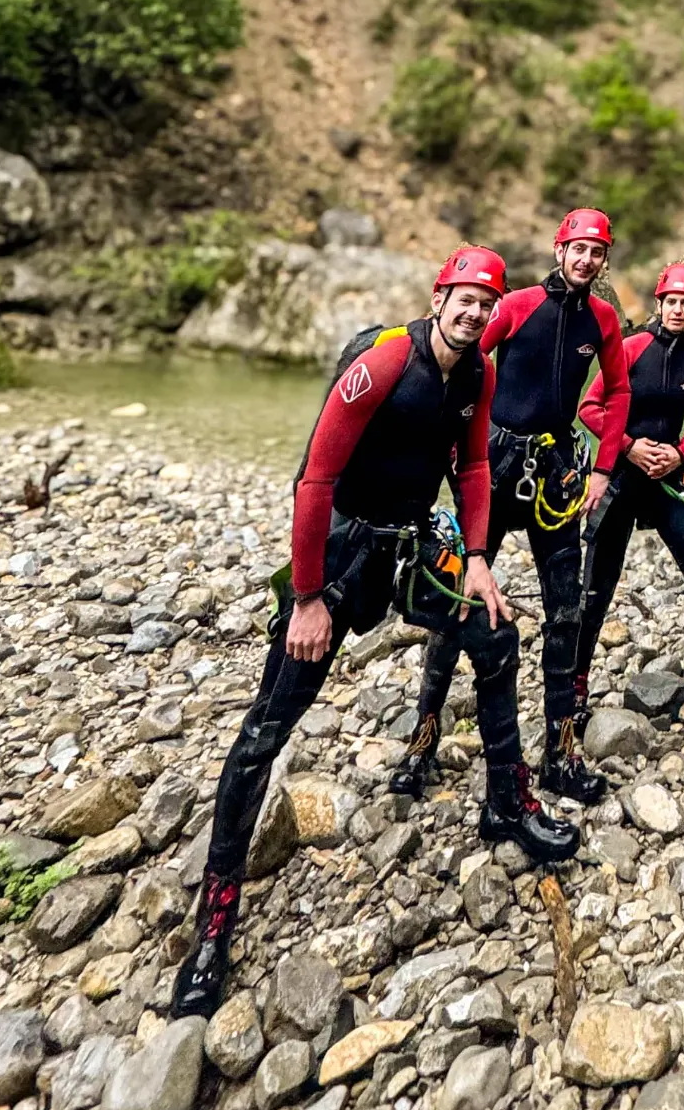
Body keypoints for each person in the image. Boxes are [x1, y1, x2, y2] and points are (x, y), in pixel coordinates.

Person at [171, 247, 579, 1019]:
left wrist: (480, 560)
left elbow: (472, 473)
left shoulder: (478, 375)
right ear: (438, 298)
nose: (474, 312)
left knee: (493, 639)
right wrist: (307, 598)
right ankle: (214, 925)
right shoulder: (389, 358)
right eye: (463, 300)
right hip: (346, 548)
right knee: (268, 727)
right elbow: (314, 480)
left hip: (417, 542)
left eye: (485, 304)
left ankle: (507, 802)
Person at [393, 207, 630, 809]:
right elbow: (465, 363)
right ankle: (423, 738)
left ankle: (560, 752)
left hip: (555, 476)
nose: (585, 259)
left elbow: (618, 389)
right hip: (495, 470)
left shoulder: (603, 318)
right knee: (459, 601)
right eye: (577, 248)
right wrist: (446, 445)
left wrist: (604, 467)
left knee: (567, 612)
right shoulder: (518, 305)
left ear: (603, 260)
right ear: (559, 249)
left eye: (596, 252)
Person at [572, 260, 684, 719]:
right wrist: (628, 447)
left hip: (669, 477)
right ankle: (577, 684)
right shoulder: (630, 348)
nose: (678, 310)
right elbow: (589, 408)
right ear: (659, 304)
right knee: (597, 587)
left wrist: (681, 454)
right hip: (624, 477)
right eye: (672, 302)